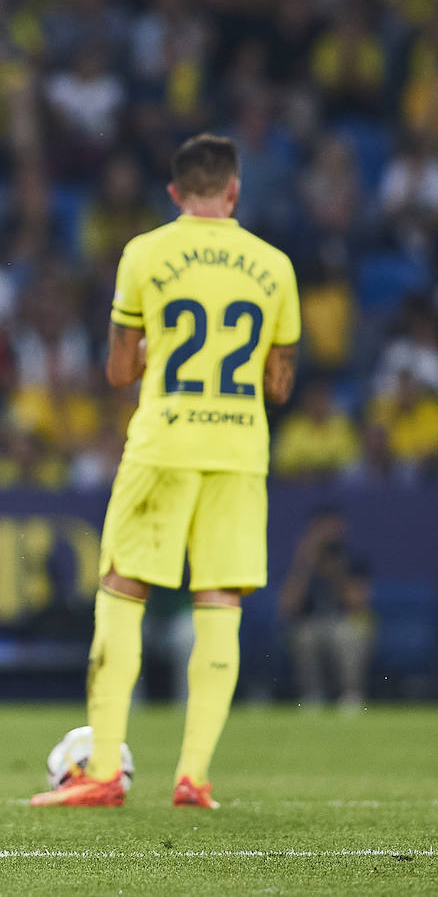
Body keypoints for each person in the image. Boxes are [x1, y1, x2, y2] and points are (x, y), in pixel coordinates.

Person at [30, 133, 299, 810]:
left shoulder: (145, 252)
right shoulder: (276, 266)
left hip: (164, 443)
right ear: (235, 191)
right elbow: (280, 384)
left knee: (124, 589)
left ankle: (100, 773)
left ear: (176, 193)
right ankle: (195, 776)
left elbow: (119, 371)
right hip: (239, 449)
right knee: (220, 602)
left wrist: (152, 351)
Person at [277, 506, 372, 709]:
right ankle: (312, 695)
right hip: (309, 621)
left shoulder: (352, 560)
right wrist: (305, 563)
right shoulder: (303, 564)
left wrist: (337, 569)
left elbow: (356, 604)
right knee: (305, 637)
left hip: (344, 620)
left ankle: (351, 695)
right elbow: (287, 605)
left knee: (345, 635)